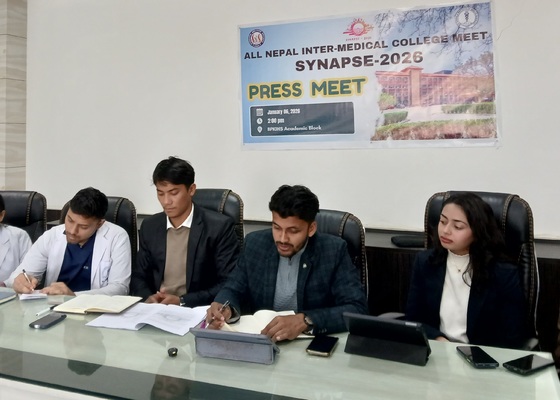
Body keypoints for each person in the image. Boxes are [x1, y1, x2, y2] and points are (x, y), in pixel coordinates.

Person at [205, 184, 368, 341]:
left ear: (311, 228)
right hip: (263, 340)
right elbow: (233, 288)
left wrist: (305, 320)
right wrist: (224, 306)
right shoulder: (255, 244)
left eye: (293, 231)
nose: (282, 239)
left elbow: (356, 309)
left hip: (310, 344)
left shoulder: (333, 250)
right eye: (276, 228)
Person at [405, 192, 528, 349]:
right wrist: (439, 339)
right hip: (435, 351)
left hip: (482, 357)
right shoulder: (425, 262)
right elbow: (414, 319)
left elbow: (512, 334)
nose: (446, 230)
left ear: (477, 232)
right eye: (442, 221)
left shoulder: (502, 272)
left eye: (457, 226)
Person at [130, 156, 239, 307]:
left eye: (173, 193)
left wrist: (182, 301)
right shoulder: (150, 226)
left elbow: (228, 282)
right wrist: (147, 297)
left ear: (191, 189)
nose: (166, 201)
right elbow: (139, 276)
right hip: (156, 309)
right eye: (160, 193)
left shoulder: (218, 227)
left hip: (196, 309)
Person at [5, 187, 131, 295]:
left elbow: (120, 288)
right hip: (52, 307)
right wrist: (19, 281)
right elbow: (17, 277)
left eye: (83, 227)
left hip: (94, 309)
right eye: (70, 220)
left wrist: (73, 296)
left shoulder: (117, 237)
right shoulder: (52, 236)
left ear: (100, 224)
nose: (72, 230)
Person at [0, 194, 32, 286]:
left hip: (11, 293)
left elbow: (28, 271)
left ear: (1, 215)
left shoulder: (19, 236)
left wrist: (5, 284)